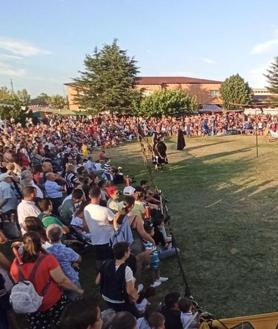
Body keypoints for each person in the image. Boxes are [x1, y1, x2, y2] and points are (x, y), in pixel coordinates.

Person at [10, 232, 83, 329]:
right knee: (65, 323)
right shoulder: (48, 260)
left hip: (31, 304)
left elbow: (14, 278)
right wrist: (78, 290)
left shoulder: (16, 263)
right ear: (40, 244)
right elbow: (62, 280)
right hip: (52, 301)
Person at [95, 242, 139, 317]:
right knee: (134, 315)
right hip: (119, 299)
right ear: (125, 253)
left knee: (117, 314)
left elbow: (97, 281)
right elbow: (129, 290)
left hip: (106, 297)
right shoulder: (126, 269)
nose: (130, 251)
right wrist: (135, 296)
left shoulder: (106, 263)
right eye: (128, 250)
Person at [46, 225, 82, 300]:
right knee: (78, 301)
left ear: (48, 237)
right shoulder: (66, 250)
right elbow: (79, 259)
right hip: (70, 279)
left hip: (56, 281)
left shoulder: (46, 252)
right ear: (61, 235)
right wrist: (73, 263)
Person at [84, 185, 114, 268]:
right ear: (100, 195)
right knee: (109, 259)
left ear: (89, 196)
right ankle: (108, 274)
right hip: (107, 239)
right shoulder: (105, 210)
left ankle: (100, 274)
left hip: (94, 238)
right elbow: (115, 221)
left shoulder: (86, 208)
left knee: (99, 259)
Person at [143, 222, 168, 288]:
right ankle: (153, 282)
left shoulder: (150, 239)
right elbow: (147, 252)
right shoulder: (146, 241)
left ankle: (158, 277)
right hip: (152, 258)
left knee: (158, 267)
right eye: (153, 230)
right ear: (149, 232)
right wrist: (147, 263)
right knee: (153, 270)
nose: (154, 231)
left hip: (155, 257)